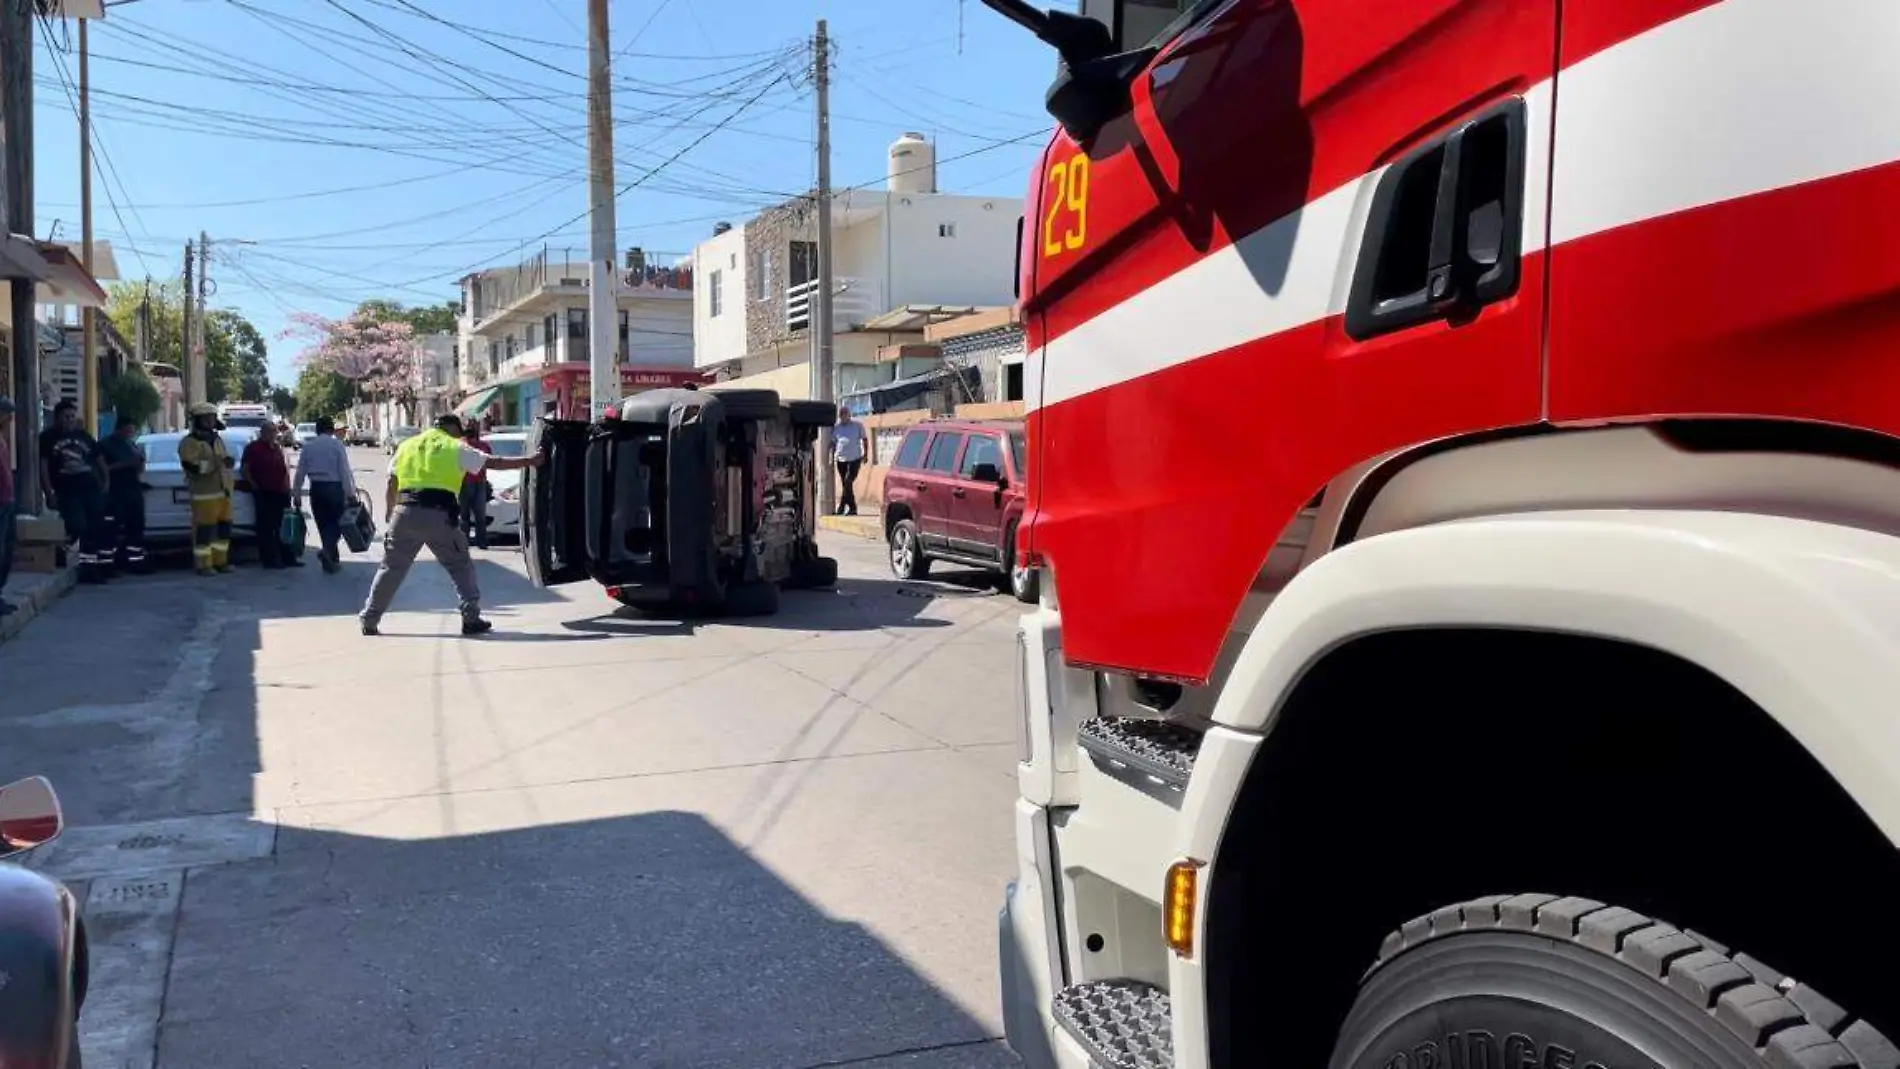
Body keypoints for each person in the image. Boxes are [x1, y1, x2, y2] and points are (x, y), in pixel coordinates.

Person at [359, 412, 540, 637]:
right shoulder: (454, 447)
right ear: (451, 428)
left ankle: (369, 619)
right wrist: (530, 461)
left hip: (404, 513)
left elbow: (391, 481)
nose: (461, 436)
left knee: (391, 569)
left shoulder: (407, 445)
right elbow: (493, 462)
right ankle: (471, 618)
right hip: (439, 515)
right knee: (459, 565)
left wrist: (390, 511)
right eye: (459, 432)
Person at [38, 400, 113, 583]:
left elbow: (99, 457)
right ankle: (62, 550)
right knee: (78, 525)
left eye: (72, 416)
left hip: (90, 488)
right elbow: (43, 467)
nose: (70, 420)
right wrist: (49, 493)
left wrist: (106, 480)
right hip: (67, 490)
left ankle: (90, 568)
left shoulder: (83, 435)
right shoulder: (48, 437)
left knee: (95, 528)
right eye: (66, 416)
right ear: (57, 418)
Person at [177, 402, 236, 576]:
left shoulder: (217, 439)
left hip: (224, 494)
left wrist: (227, 462)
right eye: (206, 418)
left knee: (224, 530)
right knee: (204, 532)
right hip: (204, 496)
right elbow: (193, 467)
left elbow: (222, 461)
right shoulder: (189, 443)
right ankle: (204, 565)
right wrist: (217, 462)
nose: (210, 421)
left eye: (212, 418)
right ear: (197, 421)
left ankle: (221, 562)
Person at [293, 415, 356, 574]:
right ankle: (328, 552)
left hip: (317, 488)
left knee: (323, 524)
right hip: (334, 488)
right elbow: (344, 471)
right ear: (331, 429)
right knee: (338, 524)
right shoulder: (336, 445)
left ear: (317, 430)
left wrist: (297, 494)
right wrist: (350, 494)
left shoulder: (308, 446)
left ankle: (331, 560)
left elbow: (300, 472)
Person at [240, 422, 299, 570]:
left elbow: (284, 469)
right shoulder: (253, 448)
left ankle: (287, 557)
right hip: (264, 492)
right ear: (263, 432)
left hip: (281, 492)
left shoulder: (277, 447)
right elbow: (245, 470)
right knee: (267, 528)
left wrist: (288, 489)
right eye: (270, 431)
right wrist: (254, 486)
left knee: (284, 526)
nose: (273, 434)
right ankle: (270, 559)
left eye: (275, 431)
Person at [98, 414, 150, 574]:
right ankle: (107, 565)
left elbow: (139, 468)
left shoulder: (131, 444)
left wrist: (139, 462)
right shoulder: (106, 445)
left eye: (132, 430)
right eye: (127, 430)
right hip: (115, 492)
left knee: (136, 528)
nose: (130, 433)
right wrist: (124, 464)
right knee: (111, 530)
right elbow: (102, 469)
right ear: (119, 429)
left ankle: (135, 562)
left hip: (133, 491)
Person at [459, 419, 492, 550]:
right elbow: (489, 461)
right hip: (475, 482)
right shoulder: (482, 446)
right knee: (477, 515)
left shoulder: (462, 446)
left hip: (469, 482)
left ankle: (466, 542)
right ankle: (480, 541)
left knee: (466, 515)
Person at [830, 404, 867, 517]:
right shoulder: (837, 428)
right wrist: (831, 457)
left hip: (854, 459)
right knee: (846, 485)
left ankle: (844, 507)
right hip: (841, 460)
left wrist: (866, 454)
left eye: (845, 414)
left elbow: (865, 440)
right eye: (841, 415)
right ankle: (851, 508)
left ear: (849, 415)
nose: (843, 417)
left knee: (847, 482)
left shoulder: (857, 425)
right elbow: (833, 443)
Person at [0, 397, 17, 614]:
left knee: (6, 549)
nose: (10, 419)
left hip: (7, 500)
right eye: (6, 414)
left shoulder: (2, 439)